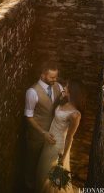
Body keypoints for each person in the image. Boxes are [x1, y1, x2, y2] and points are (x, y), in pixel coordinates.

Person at [35, 79, 86, 193]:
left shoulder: (75, 114)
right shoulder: (64, 102)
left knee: (51, 176)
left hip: (57, 146)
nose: (64, 88)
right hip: (49, 140)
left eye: (66, 87)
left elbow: (69, 137)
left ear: (72, 91)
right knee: (43, 169)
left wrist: (63, 157)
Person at [24, 61, 64, 192]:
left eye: (56, 77)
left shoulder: (58, 86)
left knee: (46, 165)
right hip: (37, 136)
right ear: (42, 75)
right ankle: (30, 187)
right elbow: (29, 117)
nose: (55, 79)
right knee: (32, 163)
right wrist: (43, 133)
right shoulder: (32, 92)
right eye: (52, 77)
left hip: (53, 135)